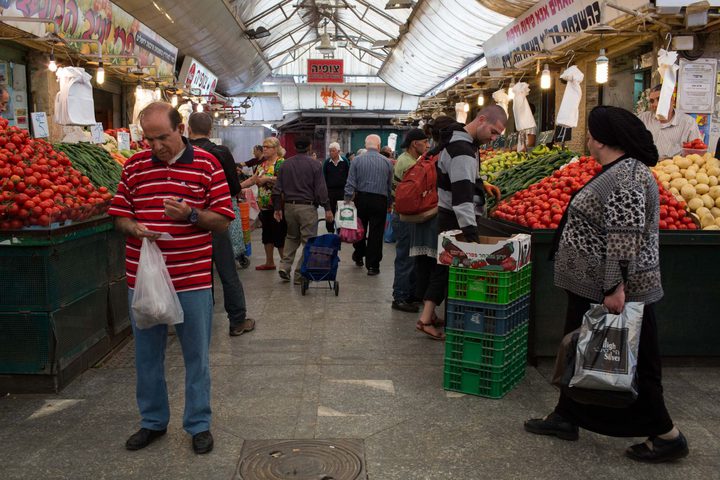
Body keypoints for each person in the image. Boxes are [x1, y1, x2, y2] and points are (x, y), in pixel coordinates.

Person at [524, 106, 689, 464]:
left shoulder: (626, 177)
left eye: (590, 132)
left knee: (635, 360)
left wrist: (615, 288)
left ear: (599, 138)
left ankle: (666, 435)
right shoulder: (618, 171)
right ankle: (566, 416)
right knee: (581, 351)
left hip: (615, 290)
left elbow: (624, 239)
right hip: (592, 286)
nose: (586, 138)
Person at [109, 102, 235, 454]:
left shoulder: (207, 165)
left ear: (180, 128)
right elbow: (119, 215)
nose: (156, 146)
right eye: (149, 139)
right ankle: (152, 422)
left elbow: (224, 219)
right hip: (144, 279)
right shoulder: (134, 167)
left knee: (197, 355)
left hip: (191, 278)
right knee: (147, 354)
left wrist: (191, 214)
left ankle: (198, 424)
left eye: (162, 137)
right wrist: (133, 227)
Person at [416, 106, 507, 340]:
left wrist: (481, 183)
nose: (494, 139)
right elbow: (462, 199)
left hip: (448, 214)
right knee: (446, 268)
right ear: (482, 120)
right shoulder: (463, 150)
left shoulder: (459, 141)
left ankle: (427, 316)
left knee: (442, 266)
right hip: (457, 218)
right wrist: (471, 233)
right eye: (494, 132)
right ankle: (428, 319)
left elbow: (462, 178)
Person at [187, 112, 255, 337]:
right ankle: (237, 321)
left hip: (187, 223)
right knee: (227, 272)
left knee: (198, 275)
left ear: (188, 129)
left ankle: (199, 323)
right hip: (215, 220)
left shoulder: (182, 153)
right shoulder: (220, 152)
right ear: (210, 131)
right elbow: (234, 188)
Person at [272, 136, 334, 284]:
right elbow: (321, 189)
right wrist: (327, 208)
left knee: (291, 237)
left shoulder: (285, 165)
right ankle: (300, 274)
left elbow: (277, 189)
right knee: (309, 241)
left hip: (289, 207)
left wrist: (277, 208)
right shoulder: (315, 165)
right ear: (309, 147)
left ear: (295, 147)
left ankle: (284, 267)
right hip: (307, 207)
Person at [391, 128, 429, 313]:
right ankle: (400, 297)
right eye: (425, 142)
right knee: (405, 257)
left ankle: (409, 294)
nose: (428, 145)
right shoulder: (408, 163)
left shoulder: (411, 160)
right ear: (415, 144)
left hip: (405, 215)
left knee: (410, 256)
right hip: (403, 216)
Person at [344, 134, 393, 276]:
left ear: (366, 145)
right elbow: (389, 186)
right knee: (376, 234)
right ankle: (373, 266)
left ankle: (359, 255)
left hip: (362, 199)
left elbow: (350, 183)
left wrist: (347, 200)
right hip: (380, 200)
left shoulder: (356, 161)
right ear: (378, 146)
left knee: (359, 229)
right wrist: (389, 203)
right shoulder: (387, 162)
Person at [637, 84, 701, 159]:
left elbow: (696, 153)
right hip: (646, 166)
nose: (655, 104)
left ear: (672, 100)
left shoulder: (688, 123)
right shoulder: (643, 118)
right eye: (652, 101)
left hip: (674, 168)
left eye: (660, 99)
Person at [254, 137, 287, 270]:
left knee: (279, 236)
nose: (264, 149)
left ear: (275, 149)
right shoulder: (262, 165)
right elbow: (254, 179)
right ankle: (269, 262)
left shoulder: (281, 163)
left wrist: (267, 178)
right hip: (264, 206)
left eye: (267, 147)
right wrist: (238, 187)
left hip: (277, 206)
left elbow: (284, 180)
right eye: (264, 146)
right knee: (266, 235)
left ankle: (285, 265)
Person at [323, 142, 350, 231]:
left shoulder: (345, 161)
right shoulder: (327, 163)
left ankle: (340, 231)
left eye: (333, 151)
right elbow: (324, 177)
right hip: (330, 191)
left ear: (338, 152)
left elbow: (348, 175)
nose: (331, 153)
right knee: (330, 212)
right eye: (330, 151)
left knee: (341, 212)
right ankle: (330, 231)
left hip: (341, 191)